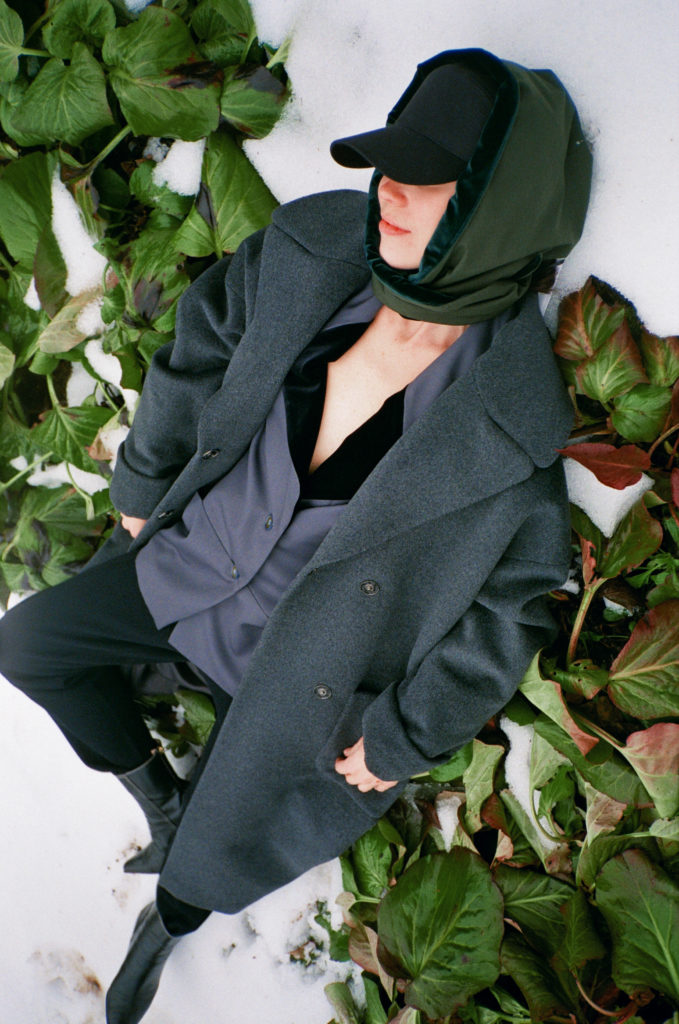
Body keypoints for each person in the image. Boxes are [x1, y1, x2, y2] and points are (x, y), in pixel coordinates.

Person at [0, 48, 591, 1024]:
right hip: (190, 566)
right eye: (387, 164)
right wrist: (146, 478)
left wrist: (403, 735)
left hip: (305, 666)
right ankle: (160, 798)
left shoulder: (507, 424)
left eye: (425, 177)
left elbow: (511, 606)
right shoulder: (315, 258)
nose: (387, 191)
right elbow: (203, 340)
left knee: (217, 850)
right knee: (28, 643)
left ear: (500, 207)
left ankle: (173, 913)